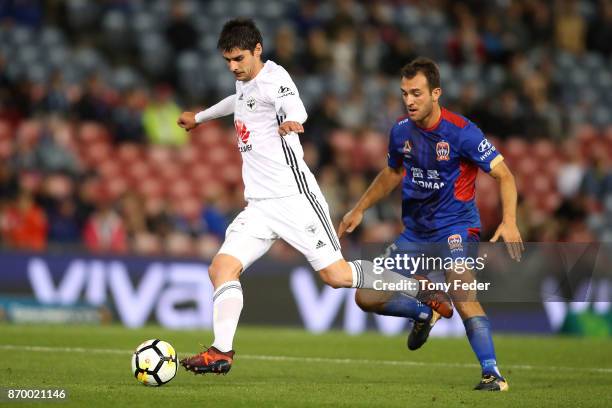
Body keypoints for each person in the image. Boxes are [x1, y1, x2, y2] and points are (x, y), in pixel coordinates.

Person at [177, 19, 453, 376]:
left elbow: (295, 106)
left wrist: (293, 121)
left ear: (258, 50)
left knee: (336, 276)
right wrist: (200, 117)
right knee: (221, 269)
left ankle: (419, 288)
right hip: (259, 204)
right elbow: (240, 101)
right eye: (227, 60)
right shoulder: (245, 81)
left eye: (238, 59)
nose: (233, 66)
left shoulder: (275, 78)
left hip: (294, 197)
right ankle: (221, 352)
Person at [338, 57, 524, 392]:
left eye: (417, 93)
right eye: (404, 93)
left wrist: (509, 221)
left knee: (461, 286)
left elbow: (505, 174)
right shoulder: (400, 132)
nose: (409, 100)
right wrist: (359, 208)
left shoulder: (463, 132)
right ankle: (424, 311)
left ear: (436, 93)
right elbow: (393, 172)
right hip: (415, 234)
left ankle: (491, 372)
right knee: (366, 295)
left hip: (456, 228)